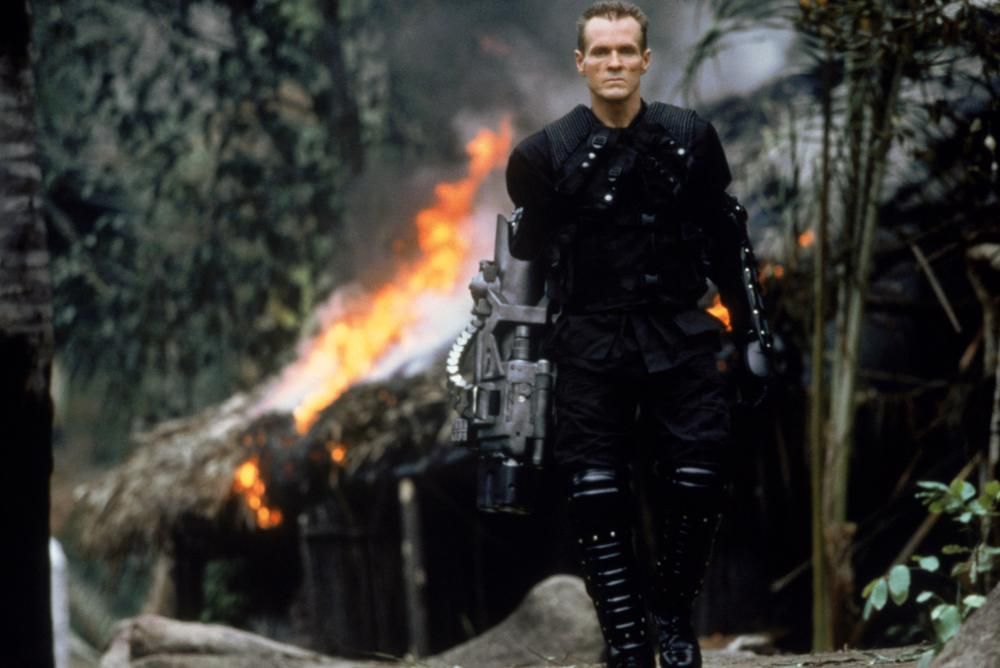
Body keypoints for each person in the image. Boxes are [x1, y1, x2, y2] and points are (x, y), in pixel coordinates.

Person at [504, 3, 771, 667]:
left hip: (679, 331)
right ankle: (627, 645)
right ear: (581, 63)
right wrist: (514, 364)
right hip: (587, 339)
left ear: (646, 60)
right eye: (601, 52)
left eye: (626, 50)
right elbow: (523, 263)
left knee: (698, 477)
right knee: (595, 491)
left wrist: (752, 332)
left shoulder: (689, 138)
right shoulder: (544, 155)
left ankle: (671, 617)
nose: (615, 62)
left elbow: (727, 239)